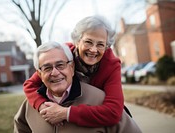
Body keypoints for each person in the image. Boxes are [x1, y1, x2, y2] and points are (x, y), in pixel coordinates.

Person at [14, 41, 142, 133]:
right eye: (47, 68)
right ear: (39, 74)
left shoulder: (100, 100)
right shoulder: (29, 106)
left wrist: (67, 113)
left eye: (60, 65)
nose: (55, 72)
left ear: (72, 67)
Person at [24, 15, 127, 127]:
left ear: (107, 46)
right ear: (77, 41)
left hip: (94, 113)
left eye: (100, 44)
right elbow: (30, 85)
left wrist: (66, 113)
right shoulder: (63, 55)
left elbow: (113, 112)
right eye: (88, 42)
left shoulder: (111, 65)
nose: (93, 50)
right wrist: (42, 106)